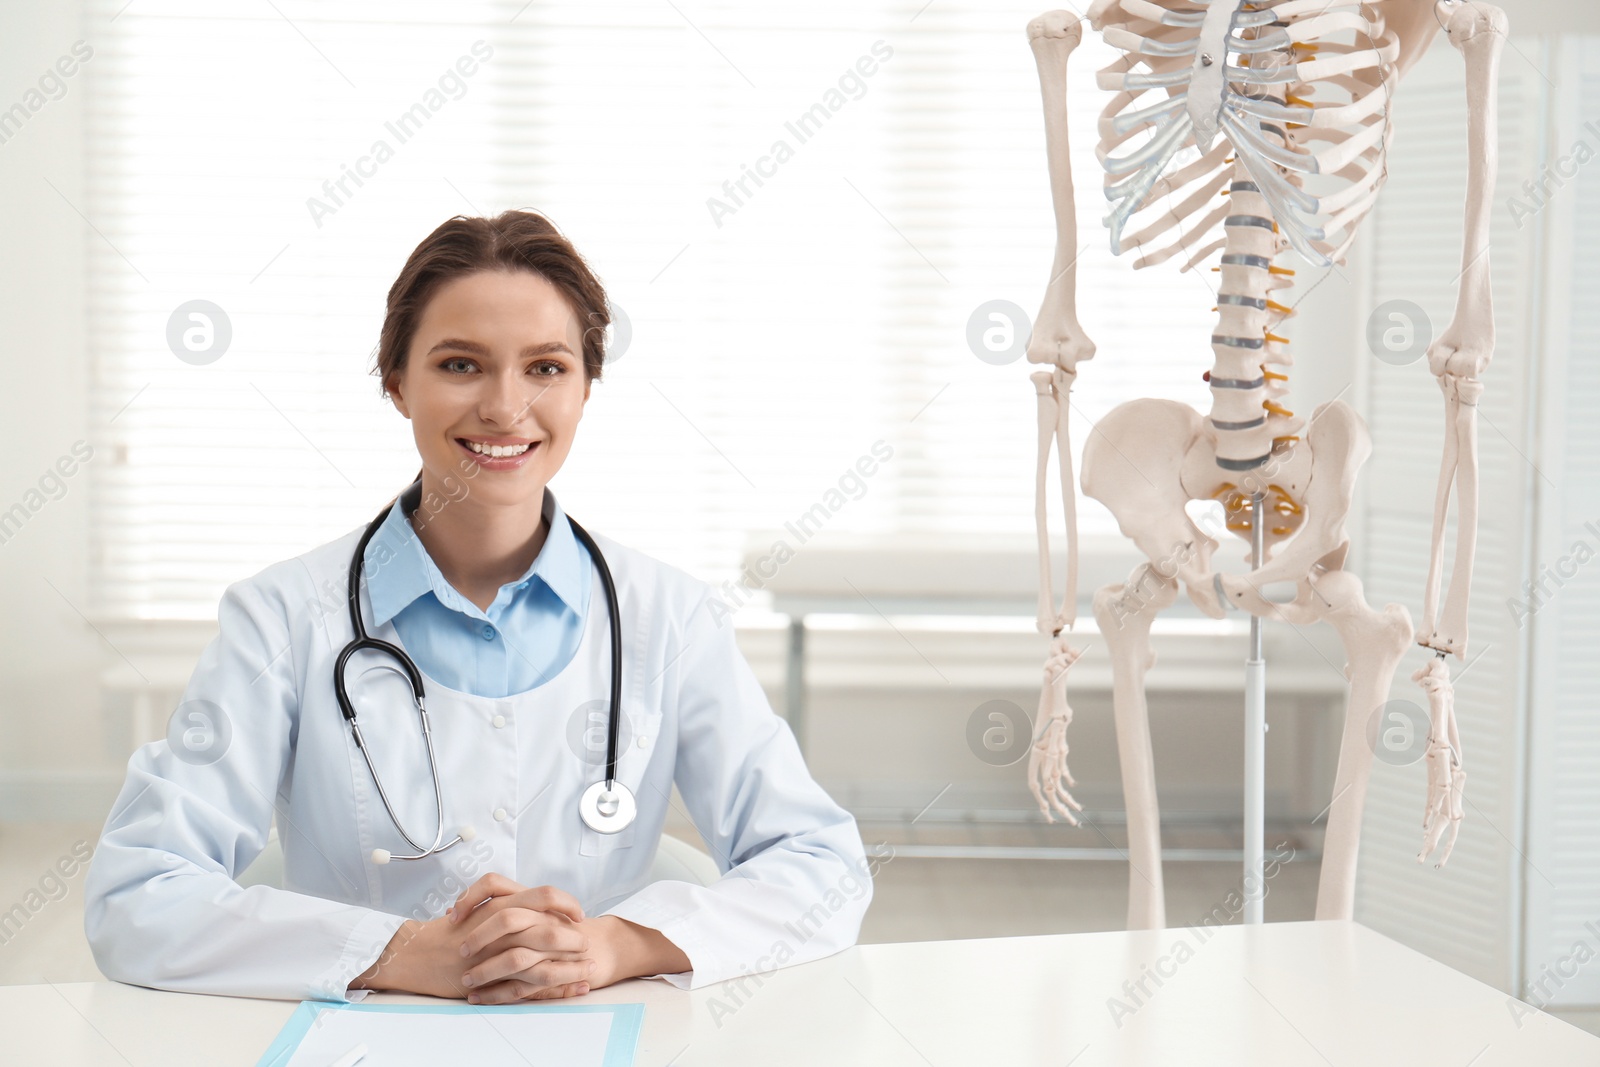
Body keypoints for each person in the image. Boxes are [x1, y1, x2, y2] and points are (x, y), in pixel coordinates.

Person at [83, 209, 874, 1004]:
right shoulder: (283, 618)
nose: (504, 407)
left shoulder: (668, 617)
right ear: (397, 381)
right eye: (461, 364)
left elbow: (822, 865)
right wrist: (400, 953)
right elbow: (138, 893)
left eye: (546, 367)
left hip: (596, 1035)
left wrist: (613, 945)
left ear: (587, 386)